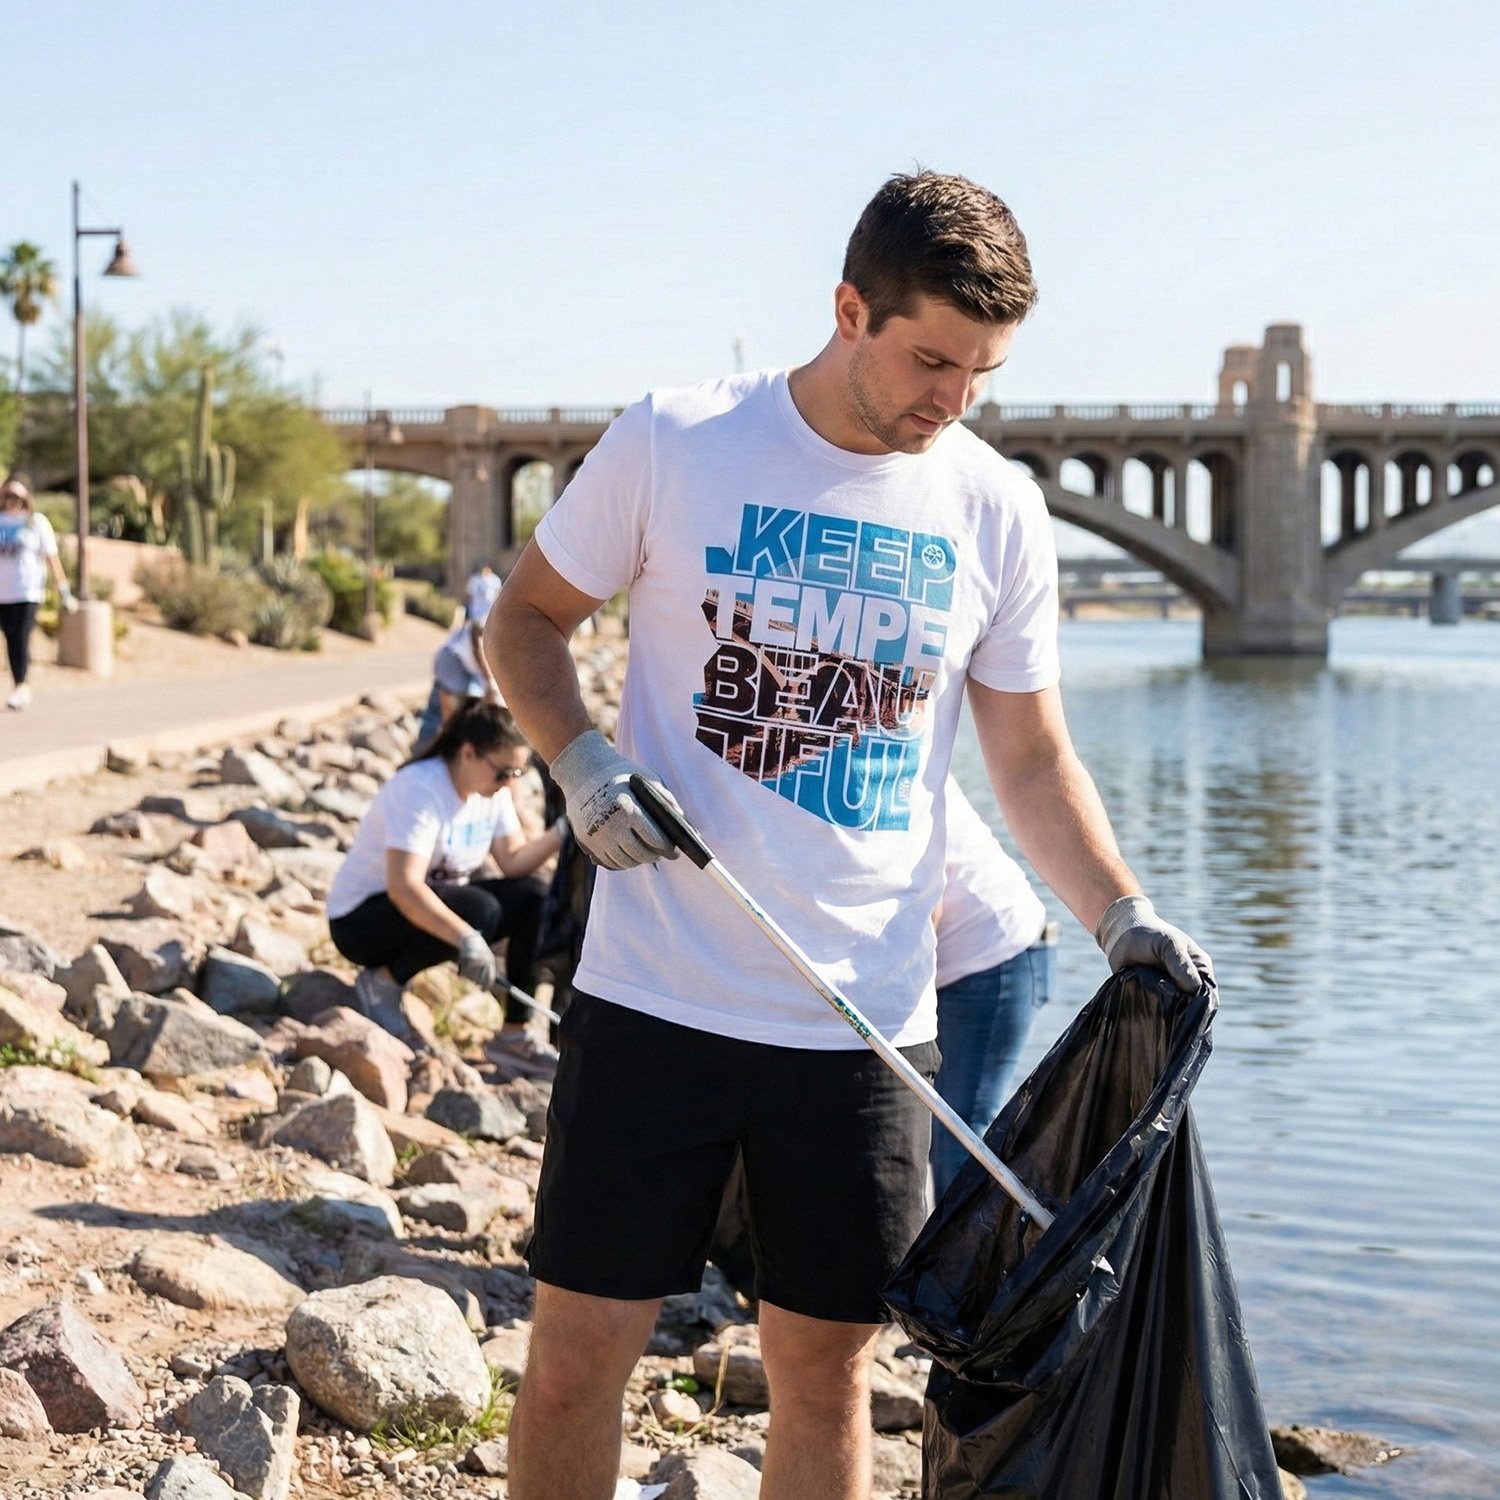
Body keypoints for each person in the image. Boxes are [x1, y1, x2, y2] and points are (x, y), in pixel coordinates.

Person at [486, 170, 1212, 1500]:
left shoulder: (993, 505)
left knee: (828, 1378)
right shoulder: (675, 440)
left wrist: (1119, 910)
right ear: (846, 311)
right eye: (932, 358)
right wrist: (580, 757)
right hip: (656, 997)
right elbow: (522, 622)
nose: (954, 398)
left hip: (868, 1027)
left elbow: (1032, 756)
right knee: (581, 1357)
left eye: (982, 372)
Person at [326, 698, 565, 1076]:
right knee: (480, 910)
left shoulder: (492, 793)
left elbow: (514, 861)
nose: (508, 784)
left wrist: (563, 832)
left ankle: (515, 1035)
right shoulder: (421, 789)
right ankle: (382, 984)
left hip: (415, 910)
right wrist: (467, 938)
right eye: (503, 772)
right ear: (468, 753)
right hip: (360, 922)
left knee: (532, 895)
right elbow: (404, 887)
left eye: (517, 775)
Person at [930, 775, 1056, 1200]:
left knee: (959, 1137)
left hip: (995, 959)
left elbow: (926, 911)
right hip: (964, 957)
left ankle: (971, 1265)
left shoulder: (894, 763)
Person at [0, 478, 75, 710]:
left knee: (19, 638)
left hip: (27, 592)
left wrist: (63, 590)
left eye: (16, 497)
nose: (11, 501)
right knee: (10, 638)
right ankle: (20, 683)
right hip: (2, 593)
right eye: (6, 496)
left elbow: (52, 558)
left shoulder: (36, 523)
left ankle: (21, 686)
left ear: (25, 499)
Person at [415, 619, 496, 751]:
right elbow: (477, 634)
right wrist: (489, 681)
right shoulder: (492, 609)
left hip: (459, 665)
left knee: (448, 718)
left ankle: (430, 752)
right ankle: (426, 754)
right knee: (443, 718)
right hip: (455, 662)